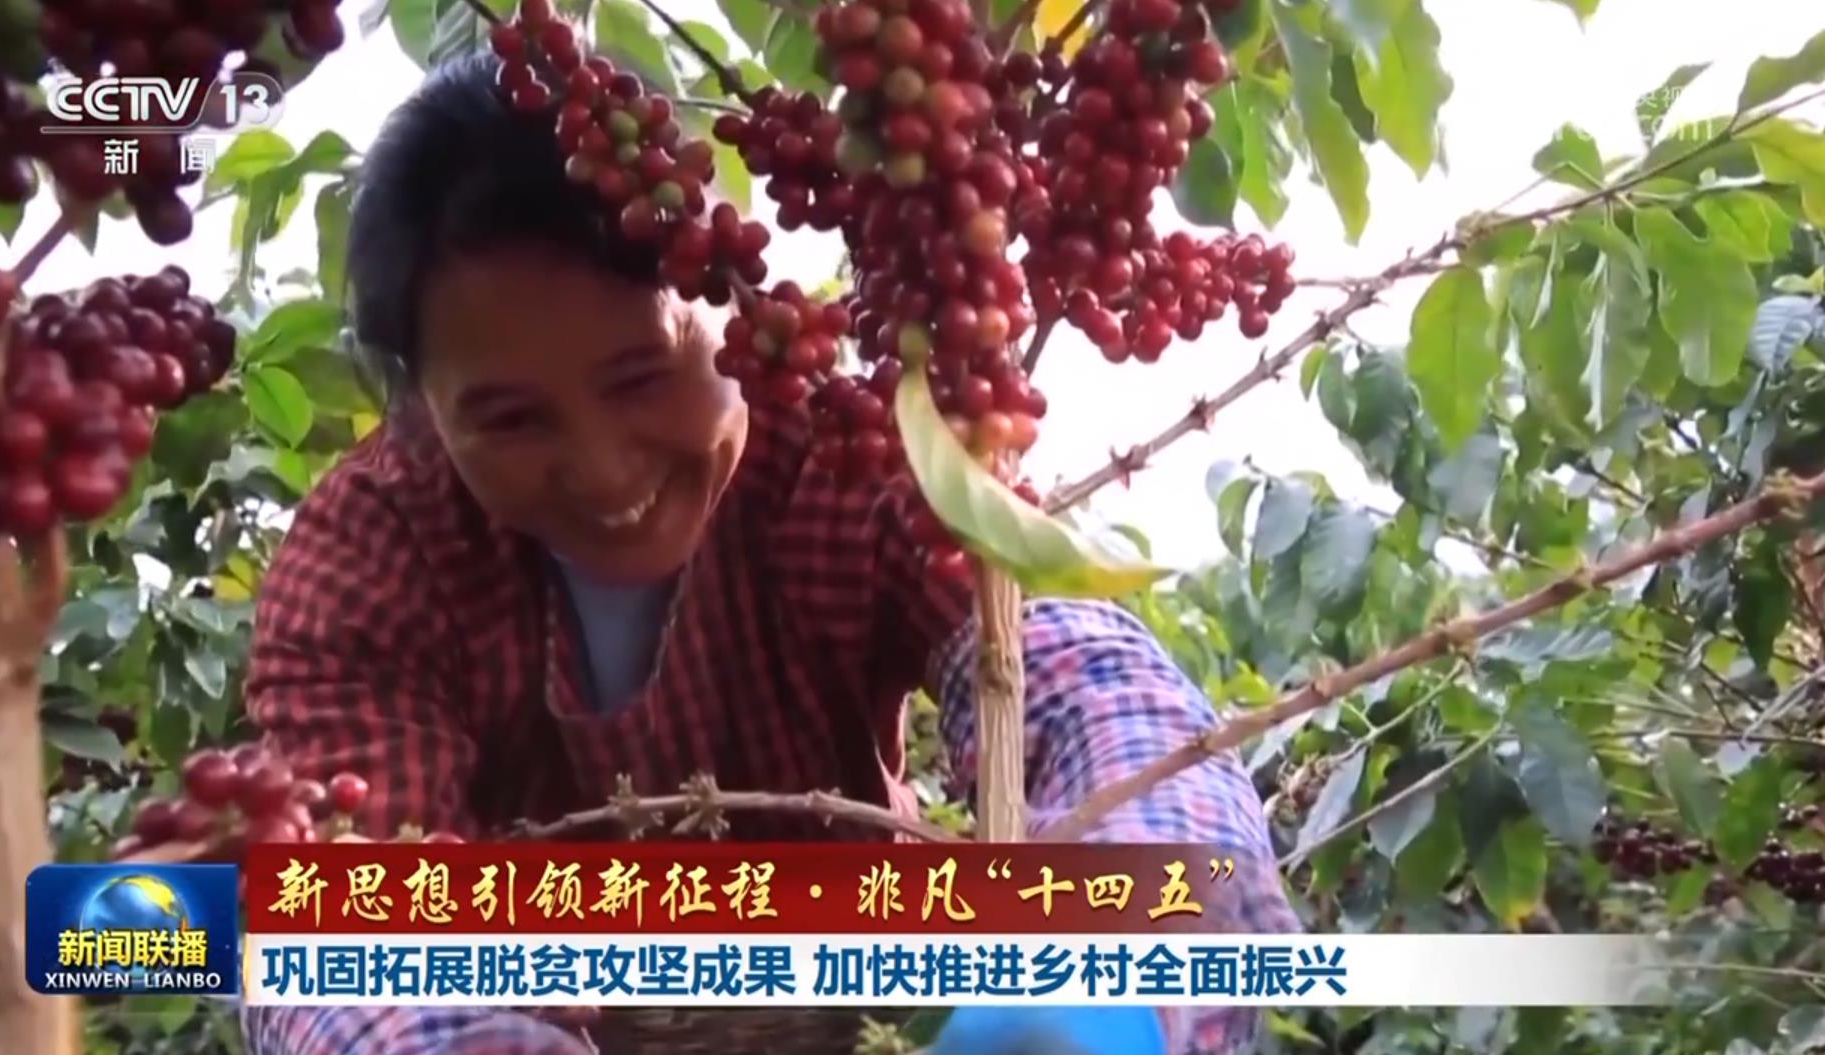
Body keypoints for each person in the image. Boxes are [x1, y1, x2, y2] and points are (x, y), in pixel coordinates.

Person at [239, 49, 1298, 1055]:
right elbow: (344, 925)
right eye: (510, 421)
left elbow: (1095, 692)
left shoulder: (845, 448)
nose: (604, 470)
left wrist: (1107, 977)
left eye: (642, 378)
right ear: (423, 410)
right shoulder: (373, 555)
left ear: (729, 312)